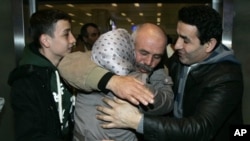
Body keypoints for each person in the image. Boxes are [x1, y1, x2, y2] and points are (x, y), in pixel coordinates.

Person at [95, 5, 244, 141]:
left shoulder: (227, 77)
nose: (177, 45)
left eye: (185, 40)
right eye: (178, 36)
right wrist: (112, 81)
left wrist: (136, 121)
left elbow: (200, 129)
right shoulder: (180, 58)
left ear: (209, 44)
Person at [73, 28, 174, 141]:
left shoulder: (91, 63)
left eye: (157, 57)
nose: (149, 62)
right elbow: (167, 102)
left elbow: (166, 104)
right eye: (143, 53)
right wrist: (112, 81)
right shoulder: (131, 81)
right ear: (130, 47)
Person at [8, 9, 76, 141]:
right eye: (66, 34)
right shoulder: (26, 81)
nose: (73, 40)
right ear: (46, 41)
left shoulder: (69, 68)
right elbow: (29, 135)